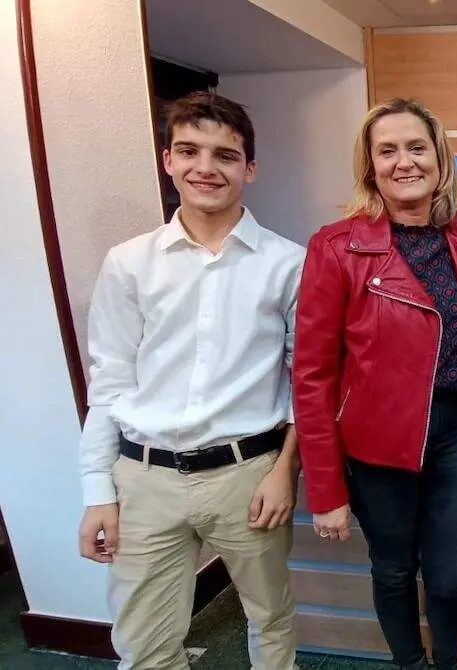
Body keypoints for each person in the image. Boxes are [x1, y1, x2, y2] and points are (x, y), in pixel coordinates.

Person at [76, 92, 303, 669]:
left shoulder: (289, 263)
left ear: (249, 169)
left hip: (248, 474)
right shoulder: (128, 263)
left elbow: (309, 381)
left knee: (270, 618)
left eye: (226, 155)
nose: (207, 167)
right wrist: (97, 491)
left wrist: (285, 471)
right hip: (143, 478)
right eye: (190, 151)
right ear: (168, 161)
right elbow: (109, 382)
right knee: (144, 645)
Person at [293, 97, 457, 670]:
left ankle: (449, 663)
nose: (404, 162)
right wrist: (326, 492)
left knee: (450, 576)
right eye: (386, 150)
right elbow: (312, 375)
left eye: (416, 147)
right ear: (370, 166)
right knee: (393, 570)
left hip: (449, 438)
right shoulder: (336, 246)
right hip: (375, 445)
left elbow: (451, 339)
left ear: (439, 160)